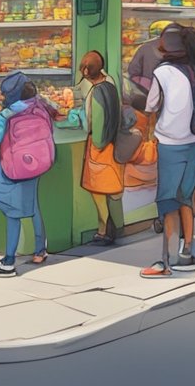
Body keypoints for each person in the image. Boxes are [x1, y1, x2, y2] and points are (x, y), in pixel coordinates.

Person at [140, 25, 195, 277]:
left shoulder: (163, 72)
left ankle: (165, 261)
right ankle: (187, 252)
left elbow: (151, 105)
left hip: (170, 143)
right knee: (185, 198)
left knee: (167, 202)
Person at [0, 72, 55, 277]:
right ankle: (40, 250)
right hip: (37, 163)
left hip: (13, 167)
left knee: (12, 213)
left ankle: (8, 262)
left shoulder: (6, 114)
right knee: (33, 206)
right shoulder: (40, 105)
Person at [81, 50, 123, 246]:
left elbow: (92, 123)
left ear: (86, 70)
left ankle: (104, 229)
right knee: (112, 189)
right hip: (113, 143)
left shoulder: (95, 93)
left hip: (99, 147)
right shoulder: (111, 85)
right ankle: (113, 226)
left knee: (97, 189)